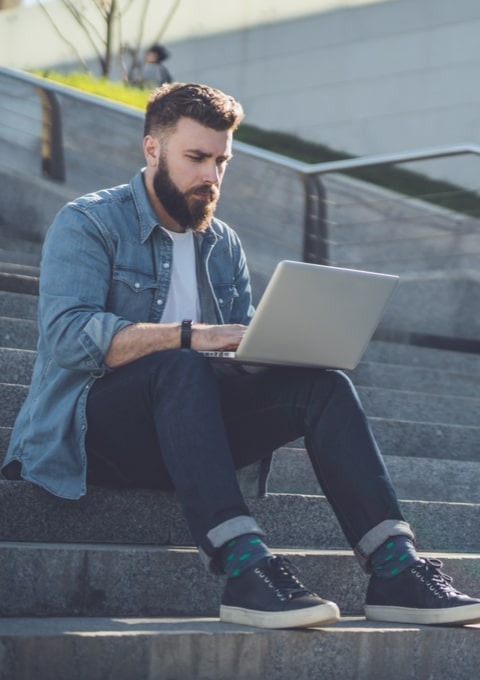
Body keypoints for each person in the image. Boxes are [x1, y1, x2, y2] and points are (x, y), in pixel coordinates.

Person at [3, 82, 480, 630]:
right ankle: (245, 566)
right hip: (93, 437)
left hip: (190, 435)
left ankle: (396, 567)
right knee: (180, 363)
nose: (211, 175)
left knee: (322, 386)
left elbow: (235, 357)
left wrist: (278, 350)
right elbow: (67, 337)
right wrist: (191, 334)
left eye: (221, 161)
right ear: (152, 149)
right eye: (196, 157)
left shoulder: (222, 242)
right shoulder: (88, 223)